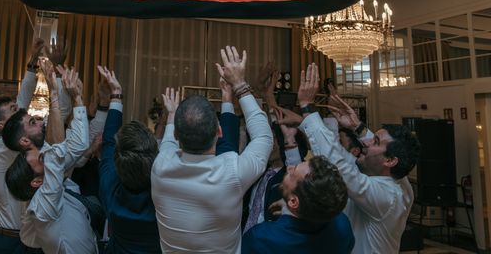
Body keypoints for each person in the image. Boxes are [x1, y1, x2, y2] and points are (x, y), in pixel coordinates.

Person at [151, 46, 273, 253]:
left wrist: (172, 115)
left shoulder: (160, 167)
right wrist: (240, 85)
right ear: (219, 131)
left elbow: (168, 144)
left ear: (178, 135)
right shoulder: (232, 172)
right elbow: (263, 136)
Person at [297, 63, 421, 254]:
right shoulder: (396, 178)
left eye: (375, 141)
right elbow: (342, 156)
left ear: (390, 161)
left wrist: (307, 106)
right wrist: (358, 127)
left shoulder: (387, 196)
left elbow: (338, 165)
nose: (366, 143)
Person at [0, 39, 73, 254]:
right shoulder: (2, 150)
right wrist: (54, 73)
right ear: (2, 126)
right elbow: (25, 99)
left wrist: (33, 64)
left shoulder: (21, 145)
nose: (23, 111)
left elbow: (60, 114)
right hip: (7, 240)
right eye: (15, 110)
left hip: (26, 238)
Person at [5, 67, 97, 254]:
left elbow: (75, 144)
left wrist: (64, 94)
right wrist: (71, 96)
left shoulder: (40, 154)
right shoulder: (35, 171)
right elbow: (64, 148)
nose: (40, 120)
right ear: (24, 141)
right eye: (33, 122)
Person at [97, 66, 161, 253]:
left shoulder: (109, 187)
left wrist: (116, 95)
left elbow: (108, 142)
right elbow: (110, 144)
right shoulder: (165, 196)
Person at [241, 156, 354, 254]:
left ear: (294, 202)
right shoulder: (342, 225)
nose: (289, 168)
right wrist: (288, 208)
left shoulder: (260, 239)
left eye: (293, 172)